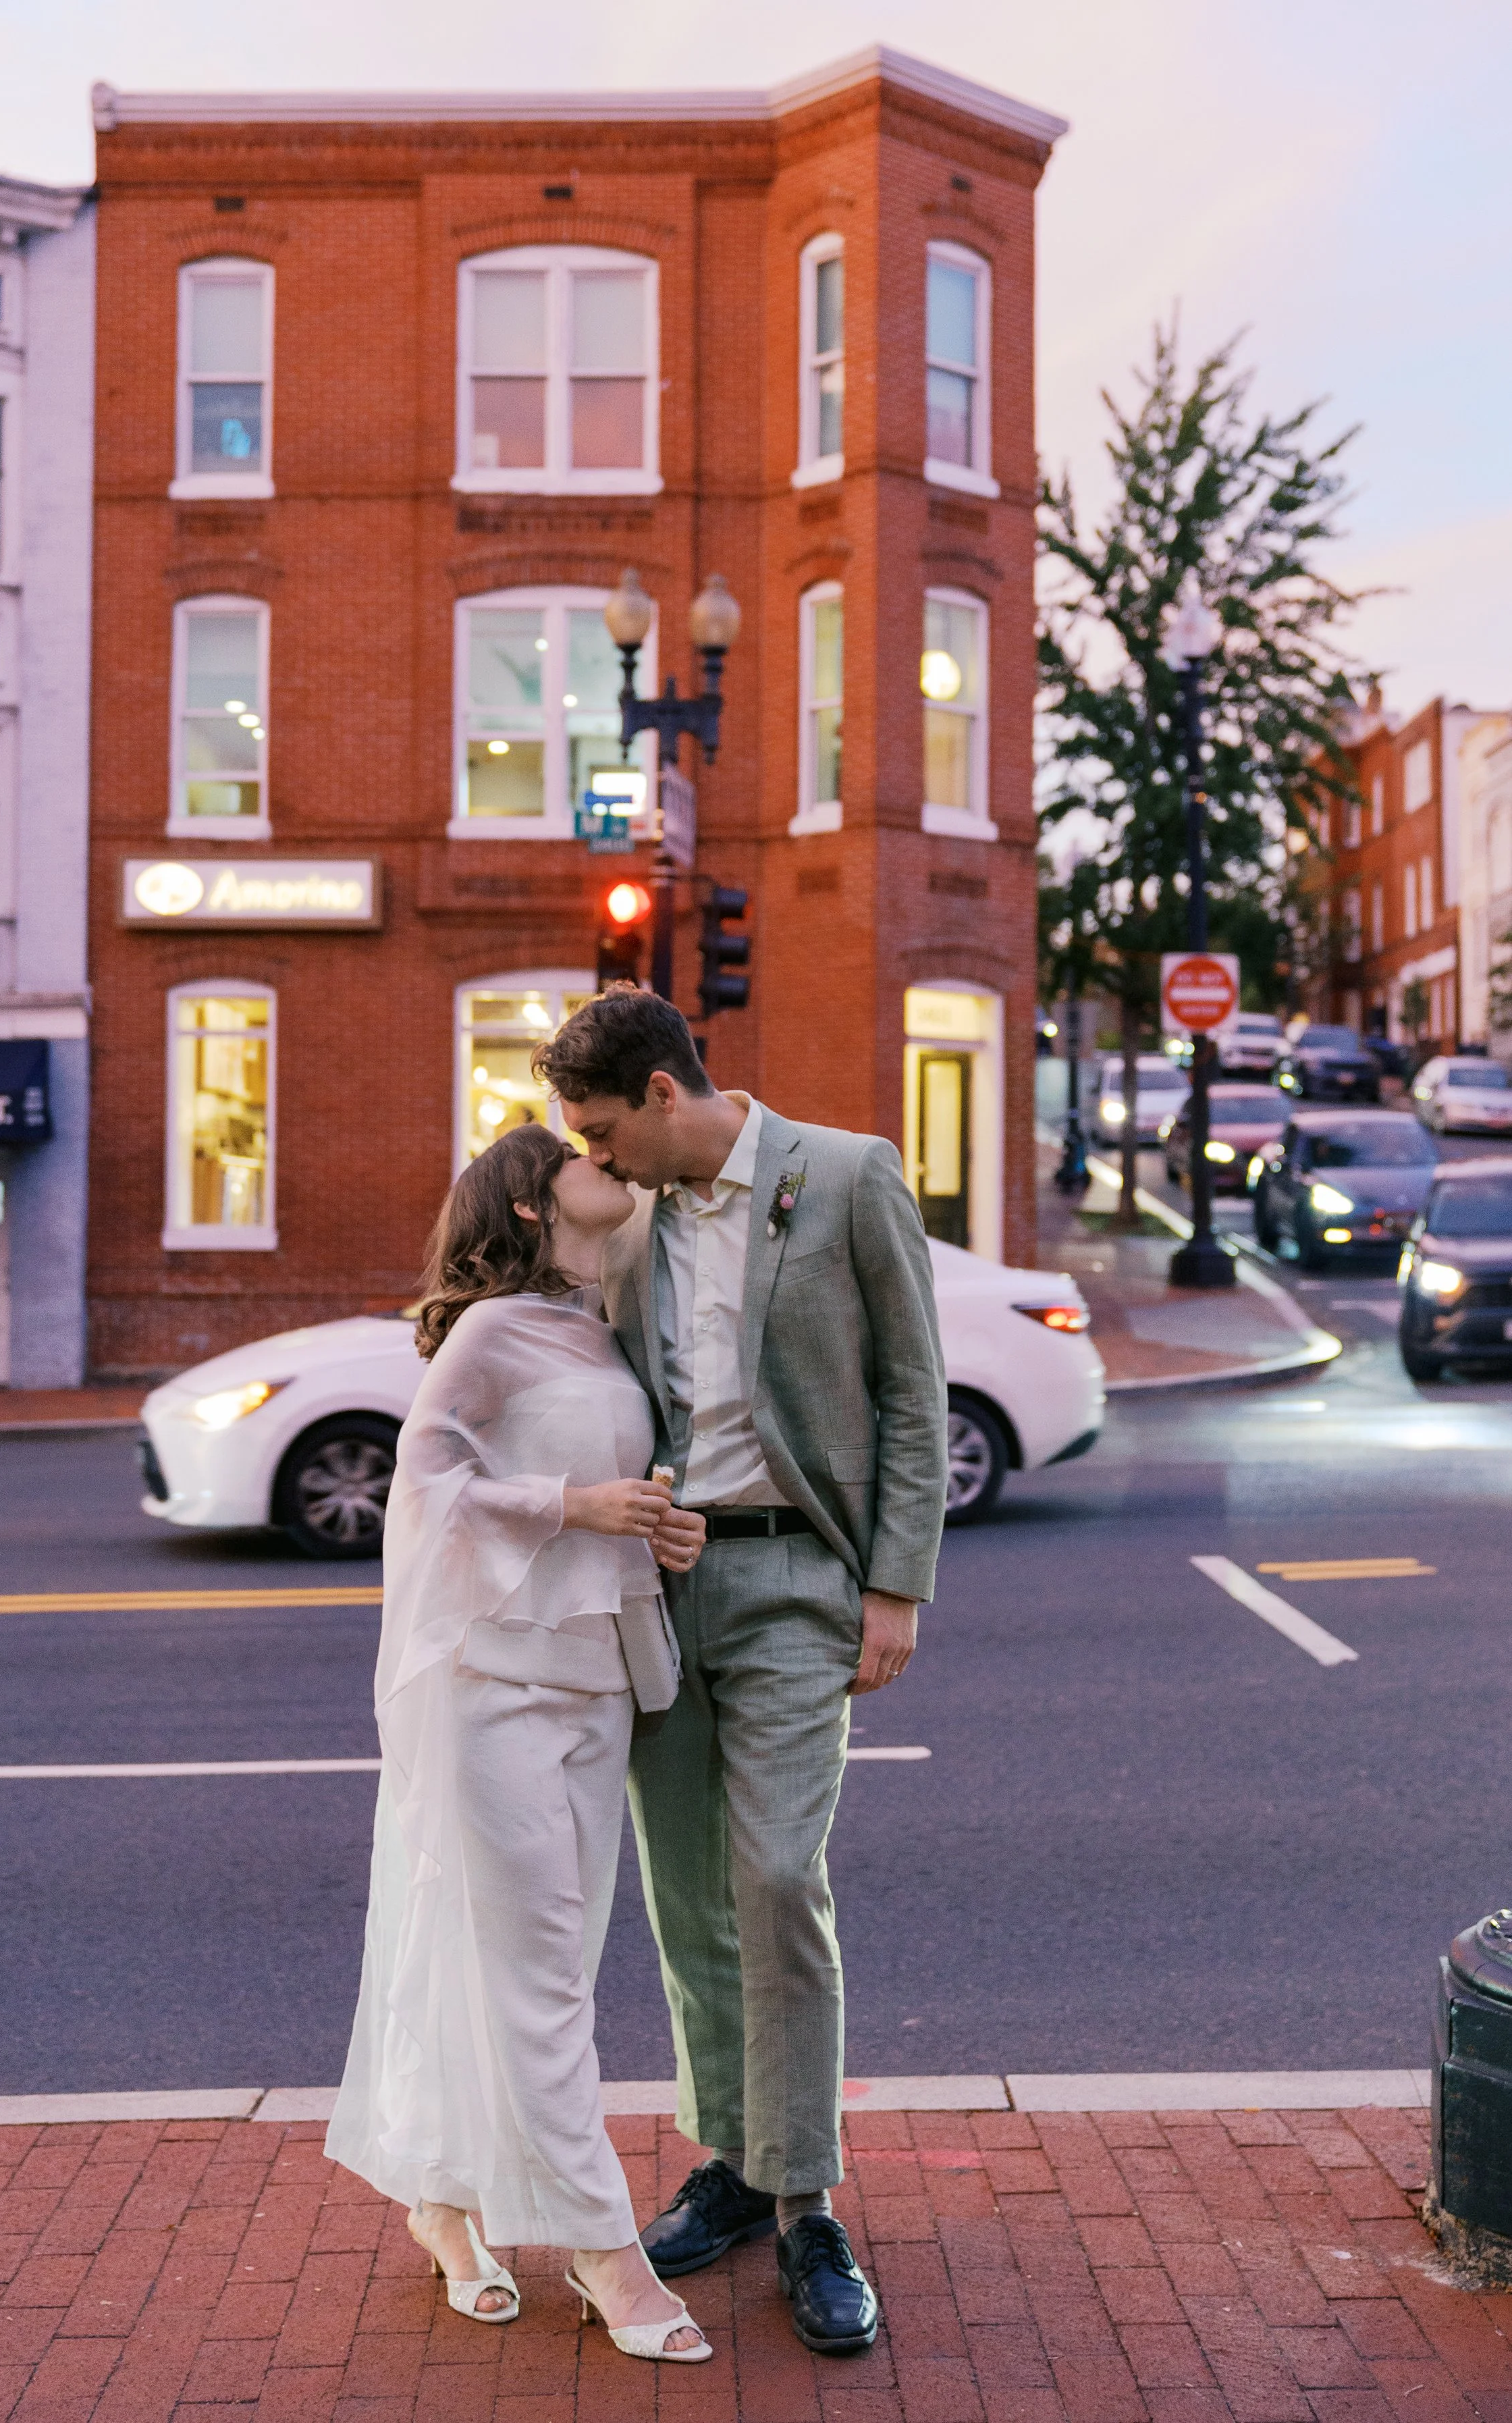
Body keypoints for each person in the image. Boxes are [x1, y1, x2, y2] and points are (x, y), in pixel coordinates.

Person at [535, 988, 949, 2358]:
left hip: (793, 1578)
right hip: (655, 1585)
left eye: (601, 1132)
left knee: (777, 1876)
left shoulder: (842, 1174)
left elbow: (909, 1389)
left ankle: (809, 2199)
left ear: (663, 1092)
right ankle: (735, 2165)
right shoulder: (627, 1219)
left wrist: (891, 1586)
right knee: (689, 1894)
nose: (593, 1160)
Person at [325, 1123, 713, 2365]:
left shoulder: (607, 1326)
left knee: (519, 1961)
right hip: (491, 1683)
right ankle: (606, 2251)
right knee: (540, 1977)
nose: (610, 1160)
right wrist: (573, 1504)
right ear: (536, 1205)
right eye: (582, 1153)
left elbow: (605, 1486)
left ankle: (440, 2200)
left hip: (595, 1680)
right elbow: (423, 1484)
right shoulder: (492, 1328)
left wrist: (655, 1529)